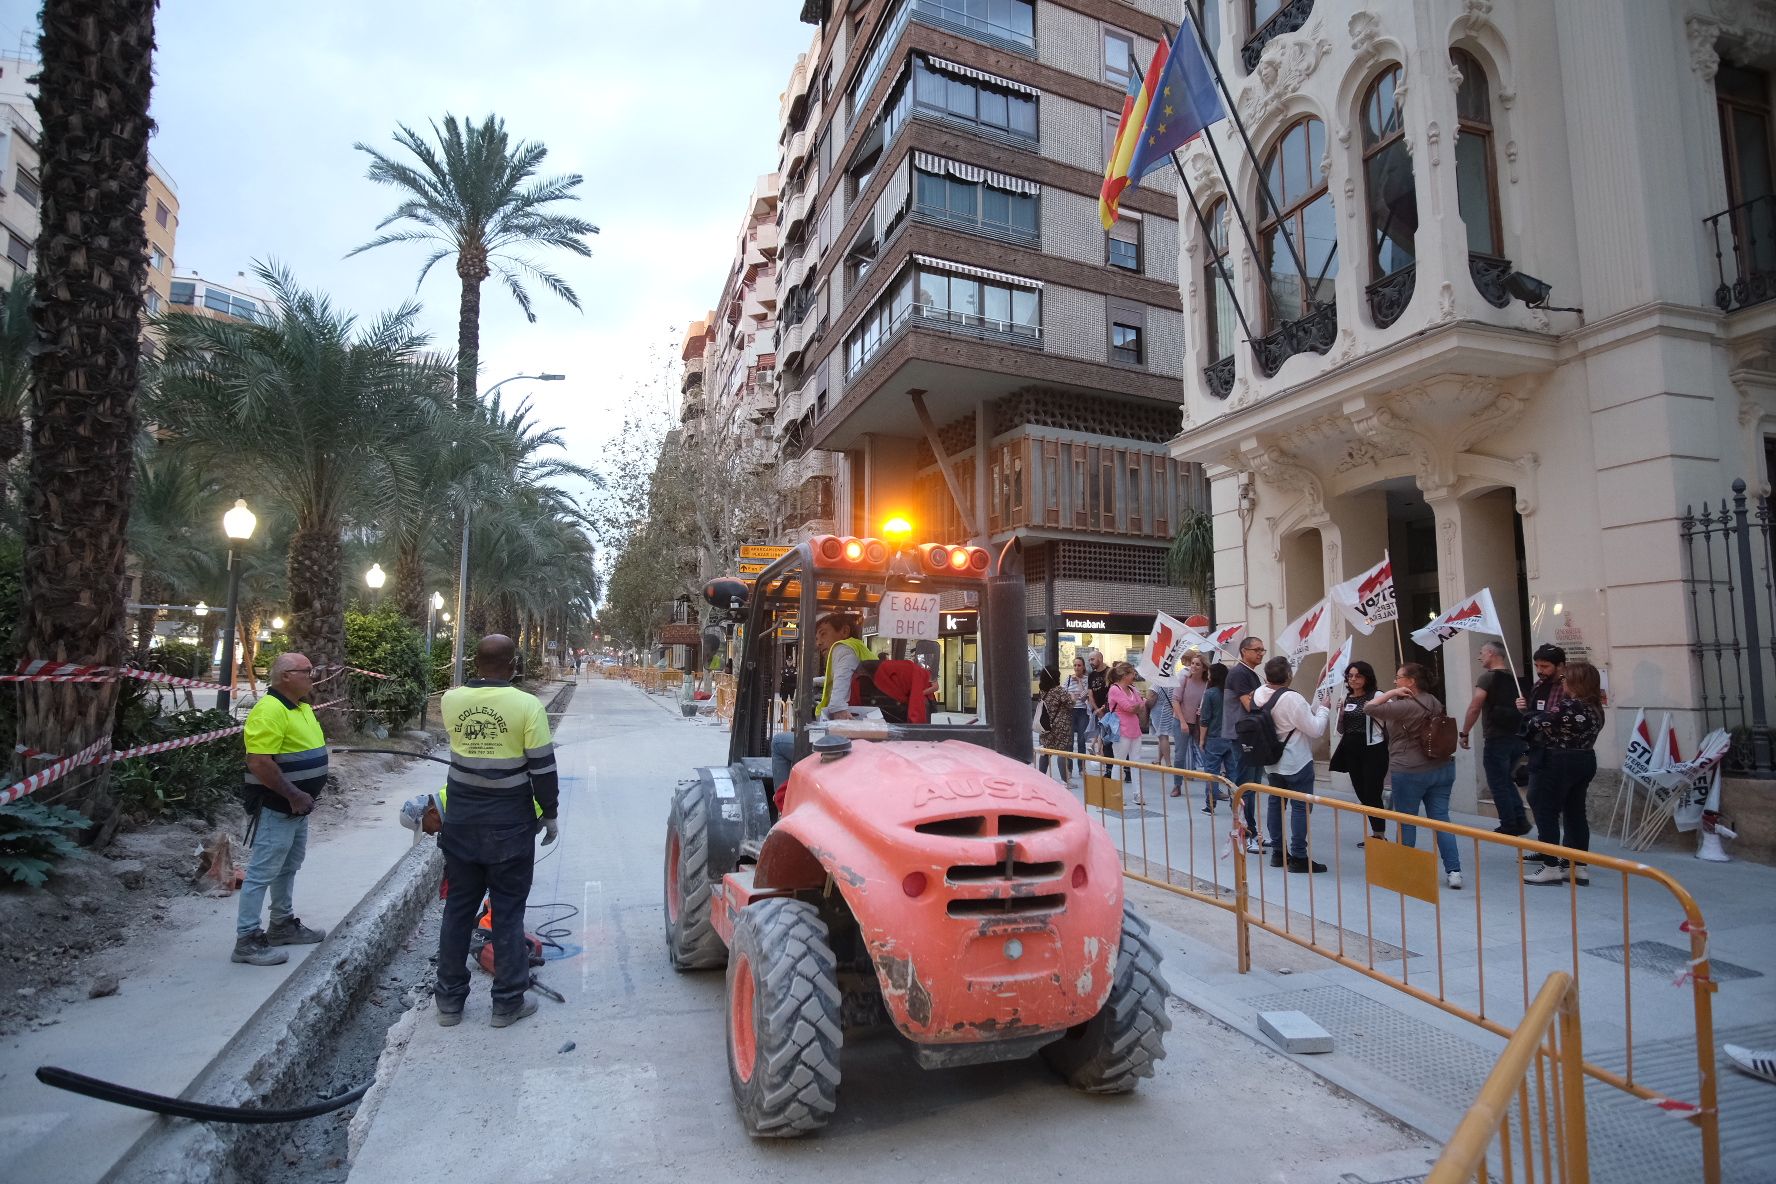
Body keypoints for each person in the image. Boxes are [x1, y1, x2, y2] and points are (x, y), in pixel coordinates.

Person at [434, 634, 559, 1029]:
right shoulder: (527, 706)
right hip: (509, 827)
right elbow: (541, 768)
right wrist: (550, 813)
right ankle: (506, 1003)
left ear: (476, 662)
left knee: (457, 911)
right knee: (506, 913)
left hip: (461, 824)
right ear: (513, 664)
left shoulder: (451, 701)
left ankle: (449, 1004)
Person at [232, 652, 329, 966]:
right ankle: (247, 940)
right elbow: (259, 761)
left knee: (288, 866)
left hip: (297, 808)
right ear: (287, 675)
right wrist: (294, 795)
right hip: (278, 806)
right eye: (307, 671)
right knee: (262, 871)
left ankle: (282, 924)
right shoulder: (269, 709)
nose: (312, 676)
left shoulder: (300, 708)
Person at [1365, 663, 1463, 889]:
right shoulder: (1434, 701)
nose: (1395, 682)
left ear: (1411, 682)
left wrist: (1390, 694)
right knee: (1441, 820)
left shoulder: (1405, 706)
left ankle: (1405, 871)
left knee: (1407, 820)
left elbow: (1369, 708)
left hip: (1409, 770)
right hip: (1441, 767)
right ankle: (1454, 871)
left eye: (1398, 678)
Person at [1520, 661, 1605, 886]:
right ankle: (1578, 866)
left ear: (1575, 682)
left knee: (1546, 809)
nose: (1562, 683)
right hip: (1585, 759)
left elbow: (1534, 724)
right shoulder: (1595, 708)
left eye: (1565, 679)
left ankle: (1550, 866)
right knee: (1575, 812)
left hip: (1559, 760)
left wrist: (1525, 712)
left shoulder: (1569, 706)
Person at [771, 613, 877, 787]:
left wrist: (837, 710)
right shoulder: (862, 651)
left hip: (841, 740)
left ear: (844, 631)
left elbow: (837, 702)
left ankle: (784, 805)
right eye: (817, 637)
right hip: (866, 731)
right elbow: (844, 677)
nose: (818, 642)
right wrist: (811, 682)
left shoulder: (842, 649)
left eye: (823, 633)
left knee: (778, 743)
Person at [1252, 656, 1331, 873]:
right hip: (1296, 760)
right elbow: (1315, 729)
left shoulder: (1259, 694)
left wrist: (1318, 686)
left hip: (1271, 761)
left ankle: (1278, 852)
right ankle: (1298, 856)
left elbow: (1302, 716)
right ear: (1288, 675)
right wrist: (1324, 708)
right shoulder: (1292, 699)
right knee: (1300, 807)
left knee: (1276, 805)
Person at [1460, 641, 1530, 836]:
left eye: (1482, 652)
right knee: (1506, 780)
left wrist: (1464, 732)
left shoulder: (1487, 679)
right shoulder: (1515, 679)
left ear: (1491, 653)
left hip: (1497, 737)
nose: (1479, 656)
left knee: (1498, 783)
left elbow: (1475, 706)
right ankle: (1519, 820)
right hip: (1517, 737)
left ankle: (1509, 823)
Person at [1331, 660, 1389, 846]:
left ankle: (1379, 834)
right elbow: (1341, 728)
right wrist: (1340, 711)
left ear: (1367, 677)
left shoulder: (1376, 695)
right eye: (1350, 676)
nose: (1353, 679)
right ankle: (1377, 823)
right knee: (1362, 792)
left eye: (1358, 676)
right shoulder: (1347, 698)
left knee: (1372, 792)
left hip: (1372, 748)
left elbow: (1389, 715)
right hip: (1351, 748)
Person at [1517, 643, 1567, 848]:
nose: (1540, 670)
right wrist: (1524, 710)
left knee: (1548, 801)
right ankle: (1547, 846)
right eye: (1537, 665)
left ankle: (1555, 854)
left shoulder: (1566, 687)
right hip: (1538, 749)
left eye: (1545, 666)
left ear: (1560, 665)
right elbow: (1533, 714)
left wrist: (1539, 719)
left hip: (1558, 751)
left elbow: (1560, 716)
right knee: (1537, 800)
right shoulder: (1539, 685)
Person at [1222, 637, 1267, 852]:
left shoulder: (1252, 673)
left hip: (1252, 735)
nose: (1260, 653)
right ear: (1243, 651)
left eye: (1262, 650)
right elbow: (1250, 706)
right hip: (1242, 735)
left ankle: (1252, 830)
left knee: (1253, 784)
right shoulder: (1239, 673)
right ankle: (1244, 832)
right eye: (1256, 650)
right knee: (1245, 785)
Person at [1101, 661, 1146, 805]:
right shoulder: (1115, 689)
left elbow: (1140, 705)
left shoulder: (1132, 689)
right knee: (1118, 762)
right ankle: (1116, 795)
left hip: (1135, 729)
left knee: (1136, 763)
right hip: (1121, 730)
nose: (1134, 675)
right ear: (1124, 675)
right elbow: (1129, 707)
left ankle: (1137, 794)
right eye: (1132, 673)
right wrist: (1138, 705)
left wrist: (1138, 706)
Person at [1196, 662, 1235, 813]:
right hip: (1231, 737)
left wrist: (1201, 739)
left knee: (1212, 773)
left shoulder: (1210, 693)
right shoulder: (1232, 693)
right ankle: (1235, 804)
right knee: (1233, 773)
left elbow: (1205, 719)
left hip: (1214, 737)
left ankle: (1210, 805)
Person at [1170, 651, 1209, 797]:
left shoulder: (1207, 683)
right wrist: (1182, 722)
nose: (1194, 666)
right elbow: (1175, 701)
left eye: (1197, 664)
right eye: (1192, 663)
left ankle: (1213, 788)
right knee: (1180, 755)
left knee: (1207, 753)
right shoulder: (1184, 678)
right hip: (1182, 721)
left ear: (1204, 667)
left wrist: (1203, 708)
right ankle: (1177, 785)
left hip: (1199, 723)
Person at [1146, 671, 1182, 797]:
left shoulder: (1157, 683)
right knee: (1162, 735)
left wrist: (1145, 702)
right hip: (1169, 710)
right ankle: (1159, 759)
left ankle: (1167, 763)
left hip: (1159, 711)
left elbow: (1151, 699)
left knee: (1162, 736)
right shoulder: (1173, 682)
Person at [1035, 665, 1074, 783]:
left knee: (1046, 752)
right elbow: (1070, 704)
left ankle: (1041, 777)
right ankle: (1065, 780)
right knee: (1061, 752)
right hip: (1061, 725)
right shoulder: (1059, 690)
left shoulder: (1042, 691)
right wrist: (1072, 696)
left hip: (1046, 724)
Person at [1064, 655, 1093, 779]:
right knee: (1069, 742)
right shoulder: (1069, 679)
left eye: (1079, 665)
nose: (1076, 667)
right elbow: (1064, 694)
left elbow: (1084, 696)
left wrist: (1080, 682)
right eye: (1075, 665)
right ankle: (1069, 770)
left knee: (1081, 741)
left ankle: (1082, 769)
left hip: (1082, 712)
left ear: (1083, 667)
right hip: (1070, 711)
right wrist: (1071, 695)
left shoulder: (1087, 679)